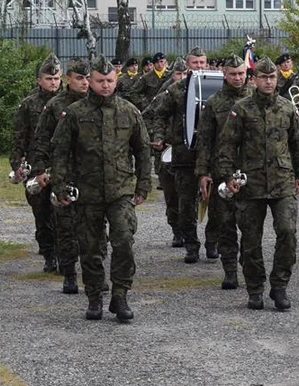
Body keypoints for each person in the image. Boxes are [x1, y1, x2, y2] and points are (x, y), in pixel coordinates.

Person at [50, 56, 151, 322]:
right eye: (99, 81)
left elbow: (142, 151)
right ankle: (94, 297)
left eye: (109, 80)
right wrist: (60, 185)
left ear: (115, 80)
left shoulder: (129, 111)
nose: (105, 86)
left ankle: (120, 295)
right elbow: (59, 152)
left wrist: (143, 184)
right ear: (90, 82)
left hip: (120, 191)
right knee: (91, 248)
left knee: (124, 242)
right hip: (87, 192)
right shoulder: (75, 114)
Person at [215, 56, 299, 311]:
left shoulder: (287, 108)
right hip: (251, 184)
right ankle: (255, 288)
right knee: (251, 240)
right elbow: (227, 146)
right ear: (253, 79)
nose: (268, 81)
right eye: (263, 77)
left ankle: (279, 286)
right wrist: (228, 177)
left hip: (282, 182)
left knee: (288, 232)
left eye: (272, 77)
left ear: (277, 79)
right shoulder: (242, 109)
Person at [31, 57, 92, 294]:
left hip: (92, 175)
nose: (85, 83)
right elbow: (41, 139)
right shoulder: (56, 105)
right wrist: (40, 170)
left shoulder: (98, 103)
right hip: (64, 174)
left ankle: (93, 274)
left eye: (88, 78)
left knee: (94, 229)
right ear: (69, 79)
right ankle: (69, 273)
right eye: (79, 78)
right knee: (65, 227)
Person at [195, 55, 252, 289]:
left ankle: (249, 265)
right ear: (224, 75)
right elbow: (205, 141)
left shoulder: (254, 99)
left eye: (241, 73)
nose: (238, 78)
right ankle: (230, 271)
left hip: (251, 171)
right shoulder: (214, 103)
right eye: (233, 74)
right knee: (225, 225)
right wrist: (203, 172)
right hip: (222, 171)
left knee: (250, 226)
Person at [147, 47, 209, 263]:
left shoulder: (216, 89)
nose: (199, 67)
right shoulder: (176, 90)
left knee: (220, 204)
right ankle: (191, 245)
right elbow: (159, 115)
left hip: (212, 156)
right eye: (195, 63)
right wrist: (159, 136)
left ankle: (213, 241)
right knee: (185, 203)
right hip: (184, 156)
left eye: (202, 63)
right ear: (187, 65)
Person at [10, 54, 62, 273]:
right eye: (48, 78)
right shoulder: (29, 104)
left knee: (64, 213)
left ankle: (64, 254)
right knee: (42, 213)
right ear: (39, 80)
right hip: (36, 166)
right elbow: (18, 135)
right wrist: (16, 164)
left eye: (56, 78)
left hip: (61, 165)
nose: (53, 82)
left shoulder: (70, 103)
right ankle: (48, 253)